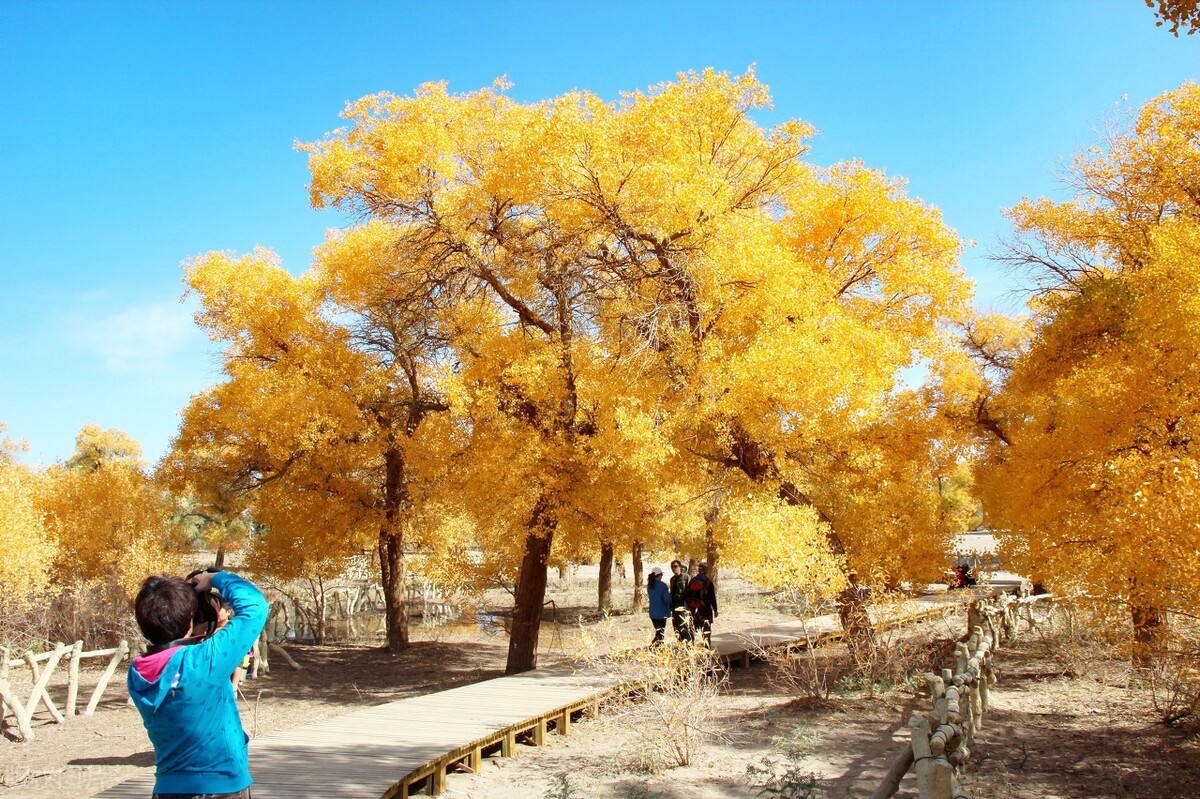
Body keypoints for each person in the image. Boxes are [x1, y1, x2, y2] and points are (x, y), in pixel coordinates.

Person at [129, 569, 268, 799]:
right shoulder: (202, 661)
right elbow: (255, 607)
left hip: (168, 789)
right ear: (190, 622)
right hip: (221, 787)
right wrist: (215, 579)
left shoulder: (137, 671)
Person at [685, 562, 718, 645]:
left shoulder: (693, 580)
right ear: (706, 570)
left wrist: (689, 609)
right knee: (706, 630)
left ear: (699, 570)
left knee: (692, 628)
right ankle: (706, 646)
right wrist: (715, 610)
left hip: (694, 608)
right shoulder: (708, 581)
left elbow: (688, 595)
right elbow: (712, 597)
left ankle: (691, 644)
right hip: (705, 608)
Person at [646, 567, 672, 646]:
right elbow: (667, 600)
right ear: (659, 575)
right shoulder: (662, 585)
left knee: (658, 631)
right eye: (661, 574)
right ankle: (654, 647)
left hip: (653, 613)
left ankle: (657, 647)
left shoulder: (650, 585)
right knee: (660, 633)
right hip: (661, 613)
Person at [668, 560, 693, 642]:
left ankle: (689, 646)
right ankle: (680, 646)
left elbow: (690, 591)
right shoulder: (672, 579)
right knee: (676, 629)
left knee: (684, 628)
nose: (673, 568)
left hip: (684, 607)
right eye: (672, 567)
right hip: (674, 607)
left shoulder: (686, 577)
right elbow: (672, 592)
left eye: (675, 566)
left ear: (680, 567)